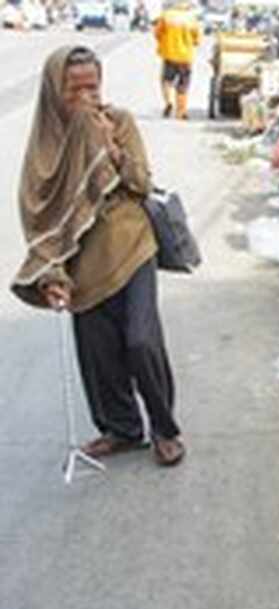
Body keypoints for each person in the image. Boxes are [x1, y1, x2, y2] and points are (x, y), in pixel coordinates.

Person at [11, 46, 186, 467]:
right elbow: (41, 216)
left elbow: (142, 183)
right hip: (82, 260)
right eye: (76, 89)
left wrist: (112, 149)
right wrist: (51, 271)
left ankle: (165, 428)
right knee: (99, 351)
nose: (88, 96)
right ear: (56, 92)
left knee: (141, 340)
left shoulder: (118, 121)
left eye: (94, 85)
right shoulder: (45, 147)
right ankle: (123, 430)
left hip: (131, 244)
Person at [153, 0, 200, 119]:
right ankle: (181, 112)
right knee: (183, 85)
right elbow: (197, 39)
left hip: (170, 55)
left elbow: (157, 33)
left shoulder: (166, 16)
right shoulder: (191, 18)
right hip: (185, 57)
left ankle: (168, 102)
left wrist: (165, 41)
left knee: (166, 80)